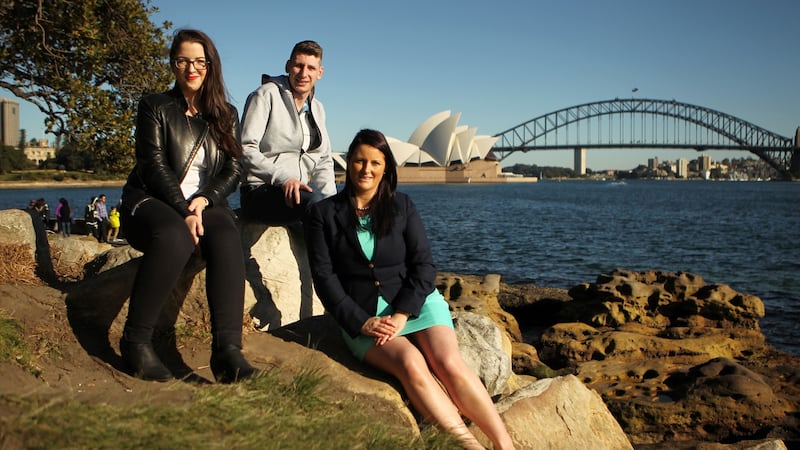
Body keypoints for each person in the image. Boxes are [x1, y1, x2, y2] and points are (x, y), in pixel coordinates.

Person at [304, 129, 515, 450]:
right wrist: (361, 322)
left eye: (375, 162)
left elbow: (424, 266)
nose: (366, 169)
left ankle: (504, 444)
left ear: (386, 168)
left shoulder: (401, 206)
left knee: (449, 362)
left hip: (416, 303)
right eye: (359, 161)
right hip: (365, 315)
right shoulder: (323, 214)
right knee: (411, 363)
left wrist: (402, 314)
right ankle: (469, 446)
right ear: (348, 163)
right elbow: (324, 278)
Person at [118, 29, 258, 383]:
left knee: (226, 234)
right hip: (152, 200)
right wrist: (184, 211)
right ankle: (136, 341)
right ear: (173, 64)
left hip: (202, 203)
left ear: (211, 65)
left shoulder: (225, 114)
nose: (191, 69)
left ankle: (227, 352)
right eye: (183, 61)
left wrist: (204, 200)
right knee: (175, 236)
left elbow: (234, 168)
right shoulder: (155, 106)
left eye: (199, 61)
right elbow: (152, 166)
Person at [238, 40, 336, 225]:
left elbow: (323, 161)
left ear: (320, 73)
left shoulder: (317, 109)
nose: (303, 73)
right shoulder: (265, 95)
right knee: (316, 207)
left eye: (311, 68)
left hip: (297, 193)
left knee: (335, 211)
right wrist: (283, 179)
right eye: (299, 66)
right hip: (260, 190)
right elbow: (245, 149)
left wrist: (332, 202)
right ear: (288, 66)